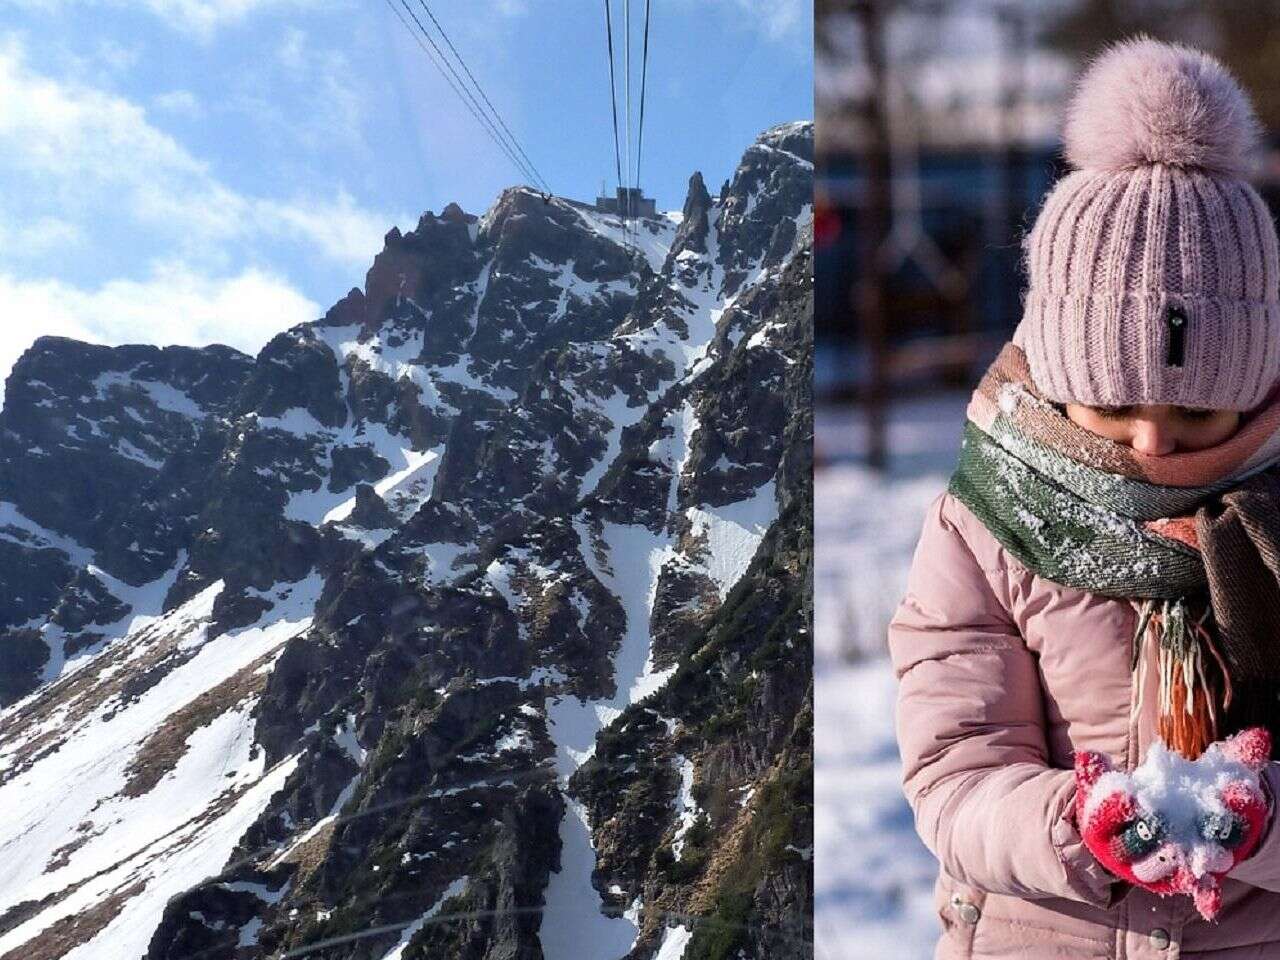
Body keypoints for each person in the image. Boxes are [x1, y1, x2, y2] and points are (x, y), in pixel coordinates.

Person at [888, 34, 1280, 958]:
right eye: (1111, 405)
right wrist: (1075, 823)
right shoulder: (986, 525)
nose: (1151, 440)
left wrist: (1261, 828)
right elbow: (955, 770)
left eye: (1194, 409)